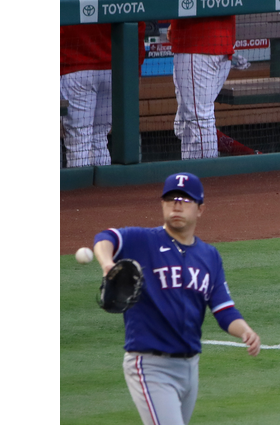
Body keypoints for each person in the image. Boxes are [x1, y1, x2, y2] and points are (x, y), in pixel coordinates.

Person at [92, 172, 261, 423]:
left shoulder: (209, 256)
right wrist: (107, 263)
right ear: (162, 204)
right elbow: (105, 238)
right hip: (150, 365)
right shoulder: (143, 240)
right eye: (171, 199)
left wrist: (246, 331)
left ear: (200, 209)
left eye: (185, 199)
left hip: (190, 369)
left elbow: (224, 310)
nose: (177, 204)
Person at [60, 0, 145, 168]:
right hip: (115, 69)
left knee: (79, 140)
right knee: (99, 137)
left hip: (76, 68)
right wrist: (134, 69)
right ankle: (101, 192)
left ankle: (83, 192)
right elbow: (138, 21)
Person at [168, 16, 236, 159]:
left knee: (199, 121)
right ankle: (192, 177)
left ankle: (207, 177)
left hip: (196, 42)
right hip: (220, 40)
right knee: (188, 123)